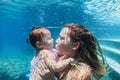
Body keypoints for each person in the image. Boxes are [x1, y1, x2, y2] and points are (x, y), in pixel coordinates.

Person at [37, 23, 107, 80]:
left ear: (75, 45)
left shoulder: (81, 74)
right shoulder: (58, 57)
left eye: (61, 38)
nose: (56, 41)